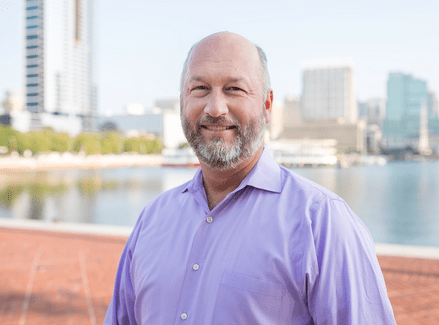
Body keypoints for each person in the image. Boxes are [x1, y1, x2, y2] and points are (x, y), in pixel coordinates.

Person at [104, 32, 396, 324]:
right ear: (182, 102)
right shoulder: (151, 220)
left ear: (267, 105)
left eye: (234, 89)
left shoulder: (322, 222)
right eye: (200, 88)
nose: (215, 108)